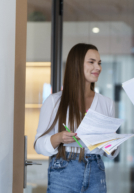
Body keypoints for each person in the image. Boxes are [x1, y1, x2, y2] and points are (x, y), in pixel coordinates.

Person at [34, 43, 119, 193]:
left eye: (99, 63)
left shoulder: (107, 104)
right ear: (76, 64)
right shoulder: (54, 101)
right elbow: (39, 144)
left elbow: (112, 153)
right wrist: (59, 138)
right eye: (91, 62)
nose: (98, 68)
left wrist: (111, 144)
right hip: (64, 170)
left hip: (96, 170)